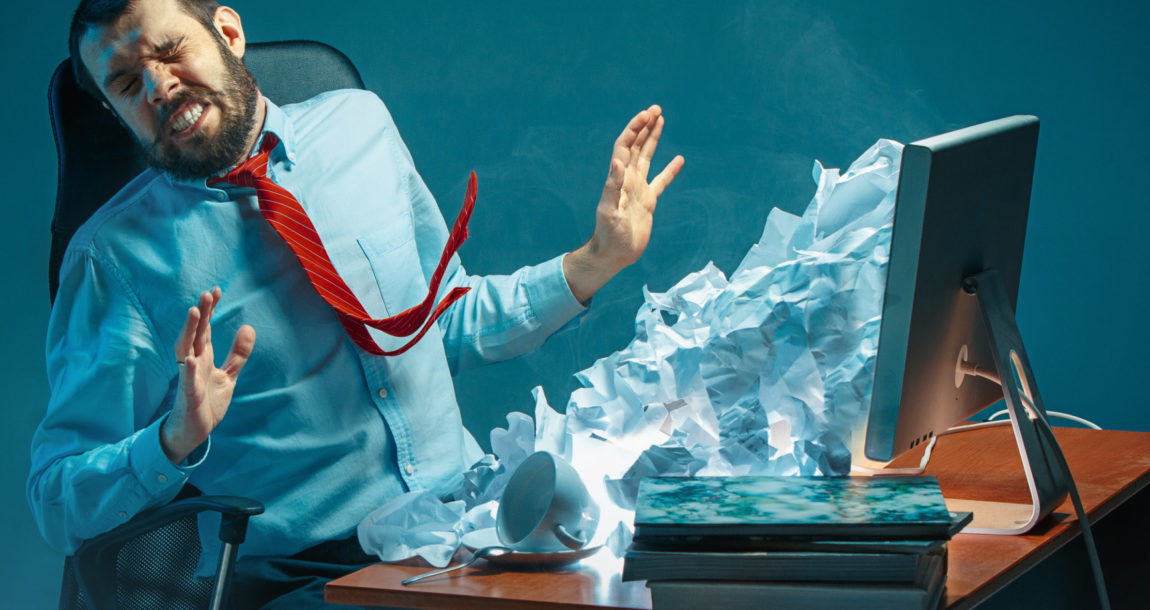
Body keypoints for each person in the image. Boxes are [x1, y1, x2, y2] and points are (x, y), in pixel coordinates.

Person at [29, 0, 684, 606]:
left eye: (171, 50)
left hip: (470, 527)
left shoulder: (359, 126)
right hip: (318, 575)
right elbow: (57, 501)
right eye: (125, 83)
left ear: (227, 34)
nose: (158, 86)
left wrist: (599, 259)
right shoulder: (112, 262)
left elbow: (443, 323)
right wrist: (173, 438)